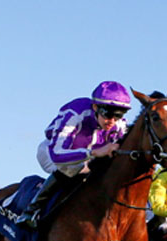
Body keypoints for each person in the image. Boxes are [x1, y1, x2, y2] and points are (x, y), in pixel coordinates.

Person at [17, 81, 131, 229]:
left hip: (89, 158)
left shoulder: (119, 125)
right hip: (53, 153)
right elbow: (56, 155)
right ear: (95, 107)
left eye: (118, 115)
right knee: (77, 168)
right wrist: (94, 152)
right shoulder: (75, 114)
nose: (112, 121)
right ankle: (32, 209)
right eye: (108, 114)